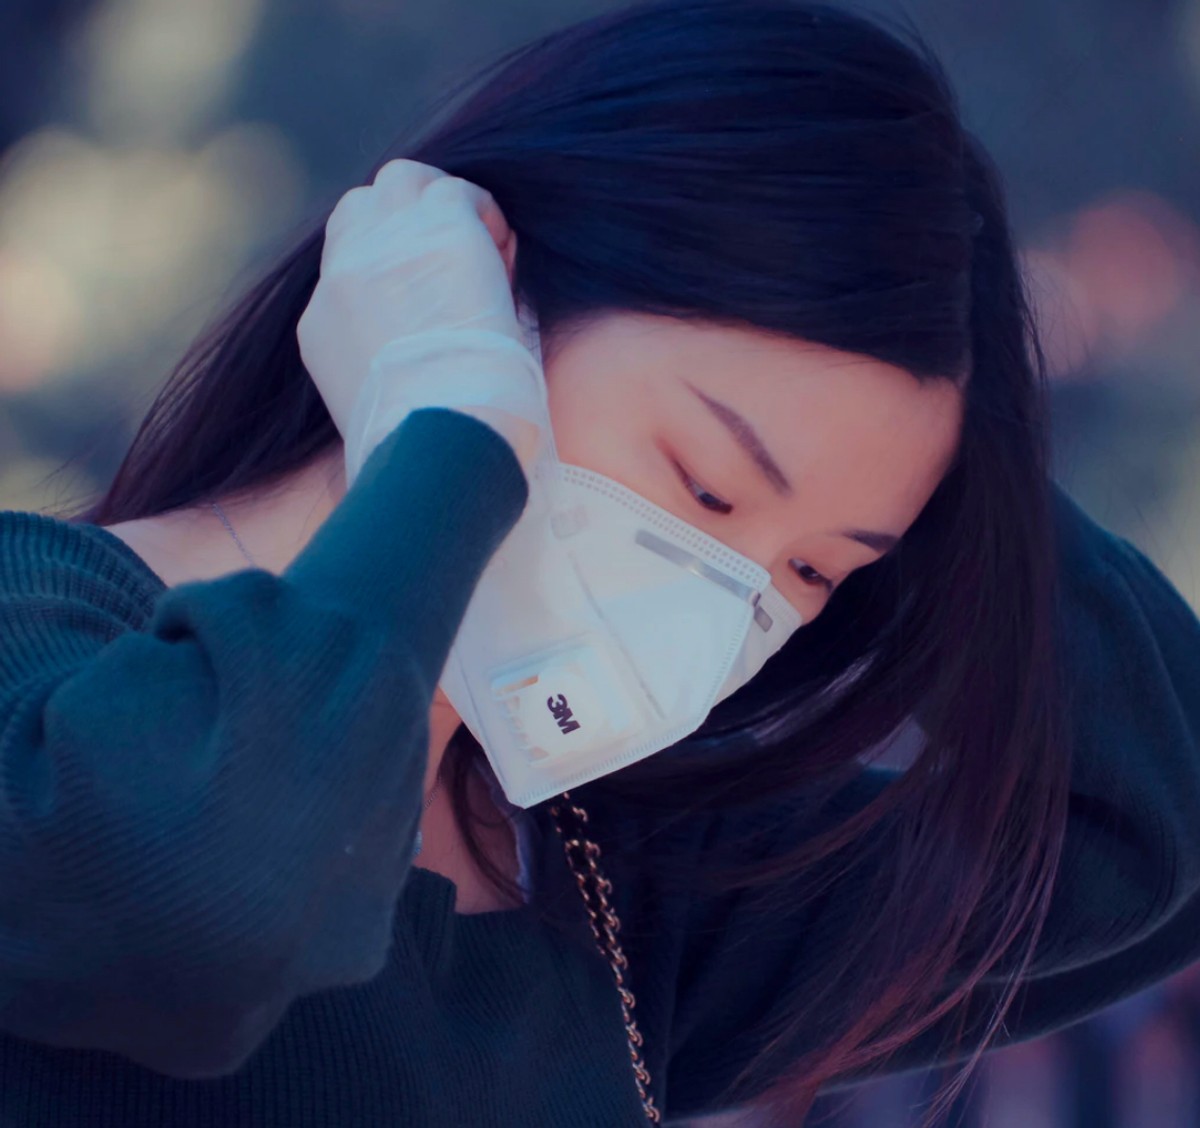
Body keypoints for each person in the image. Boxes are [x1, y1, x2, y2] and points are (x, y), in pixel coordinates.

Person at [0, 1, 1197, 1125]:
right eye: (707, 485)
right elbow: (205, 914)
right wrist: (448, 434)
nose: (731, 598)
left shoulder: (612, 886)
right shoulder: (37, 637)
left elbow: (1151, 826)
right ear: (492, 301)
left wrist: (953, 472)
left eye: (819, 571)